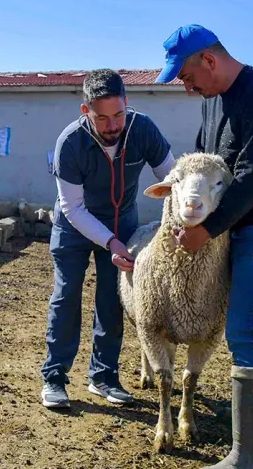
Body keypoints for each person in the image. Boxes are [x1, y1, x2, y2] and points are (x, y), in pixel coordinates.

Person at [155, 25, 253, 468]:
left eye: (185, 75)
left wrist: (207, 229)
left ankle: (249, 457)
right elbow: (204, 159)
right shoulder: (213, 102)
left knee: (243, 331)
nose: (186, 85)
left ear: (209, 60)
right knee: (251, 321)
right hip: (229, 230)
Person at [40, 69, 176, 409]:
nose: (113, 125)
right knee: (67, 294)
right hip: (75, 225)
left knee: (112, 299)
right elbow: (73, 207)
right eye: (102, 118)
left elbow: (173, 179)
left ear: (127, 104)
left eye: (119, 114)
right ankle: (54, 377)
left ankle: (103, 376)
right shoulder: (69, 143)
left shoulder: (143, 129)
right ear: (86, 112)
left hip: (123, 221)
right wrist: (110, 242)